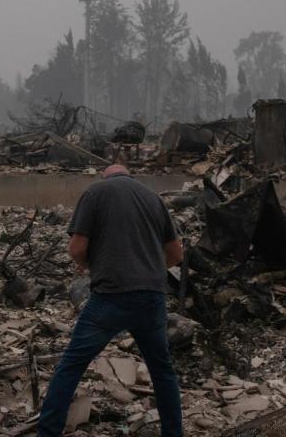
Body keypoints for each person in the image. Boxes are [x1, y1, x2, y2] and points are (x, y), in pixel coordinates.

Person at [38, 164, 184, 437]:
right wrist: (149, 267)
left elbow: (77, 247)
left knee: (71, 366)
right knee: (162, 371)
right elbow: (176, 254)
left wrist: (89, 265)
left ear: (106, 176)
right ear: (129, 175)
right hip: (151, 297)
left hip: (110, 297)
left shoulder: (96, 193)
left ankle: (48, 432)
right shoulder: (153, 198)